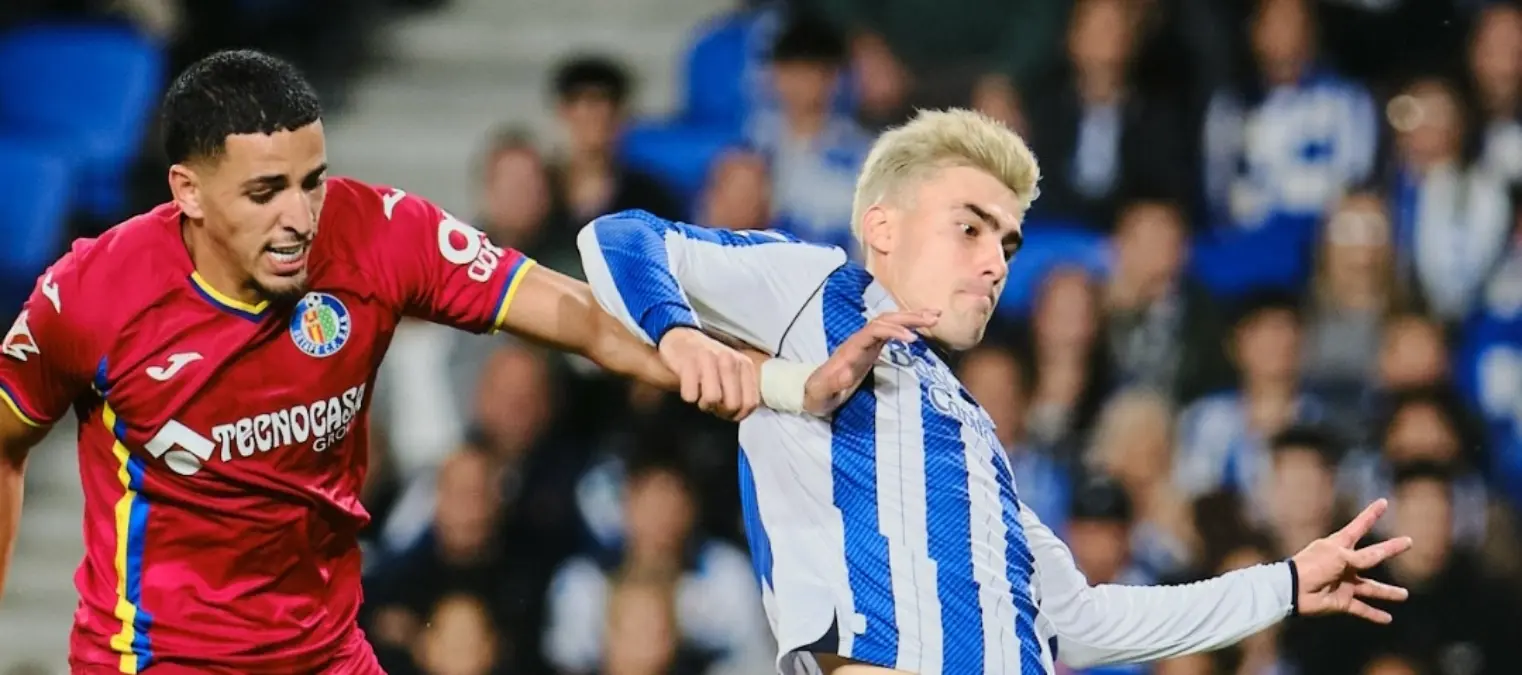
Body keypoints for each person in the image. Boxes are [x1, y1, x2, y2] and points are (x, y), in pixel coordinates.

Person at [0, 49, 825, 674]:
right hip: (160, 658)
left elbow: (575, 315)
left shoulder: (379, 231)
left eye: (311, 181)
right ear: (186, 190)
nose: (298, 218)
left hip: (325, 647)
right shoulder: (91, 295)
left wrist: (725, 360)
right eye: (265, 193)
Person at [579, 108, 1415, 675]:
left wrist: (1287, 584)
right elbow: (618, 237)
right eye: (970, 226)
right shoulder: (816, 292)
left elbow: (1080, 620)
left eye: (1008, 240)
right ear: (883, 227)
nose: (995, 260)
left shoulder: (970, 428)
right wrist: (680, 333)